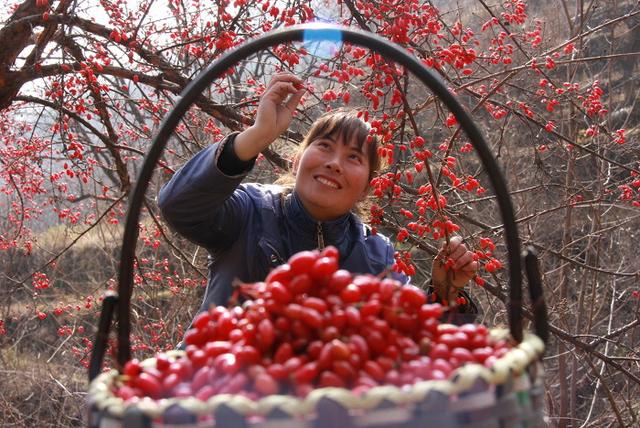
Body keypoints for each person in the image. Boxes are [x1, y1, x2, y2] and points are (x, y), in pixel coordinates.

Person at [157, 73, 479, 336]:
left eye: (353, 157)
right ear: (297, 161)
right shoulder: (249, 211)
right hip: (213, 398)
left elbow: (416, 338)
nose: (335, 163)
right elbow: (178, 204)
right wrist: (257, 136)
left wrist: (445, 292)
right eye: (324, 146)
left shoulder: (375, 255)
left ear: (367, 188)